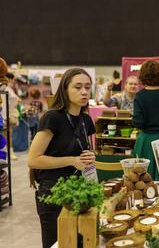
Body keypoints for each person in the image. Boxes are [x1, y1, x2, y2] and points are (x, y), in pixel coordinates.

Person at [27, 68, 96, 248]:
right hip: (53, 193)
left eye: (87, 87)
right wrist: (72, 160)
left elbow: (85, 150)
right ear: (65, 90)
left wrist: (90, 157)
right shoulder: (52, 118)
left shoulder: (86, 120)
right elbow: (33, 160)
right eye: (78, 87)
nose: (84, 92)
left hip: (79, 193)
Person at [0, 59, 21, 160]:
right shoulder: (6, 88)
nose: (13, 81)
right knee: (6, 135)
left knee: (8, 135)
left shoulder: (7, 88)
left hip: (6, 114)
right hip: (5, 114)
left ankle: (9, 152)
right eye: (12, 79)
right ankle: (8, 152)